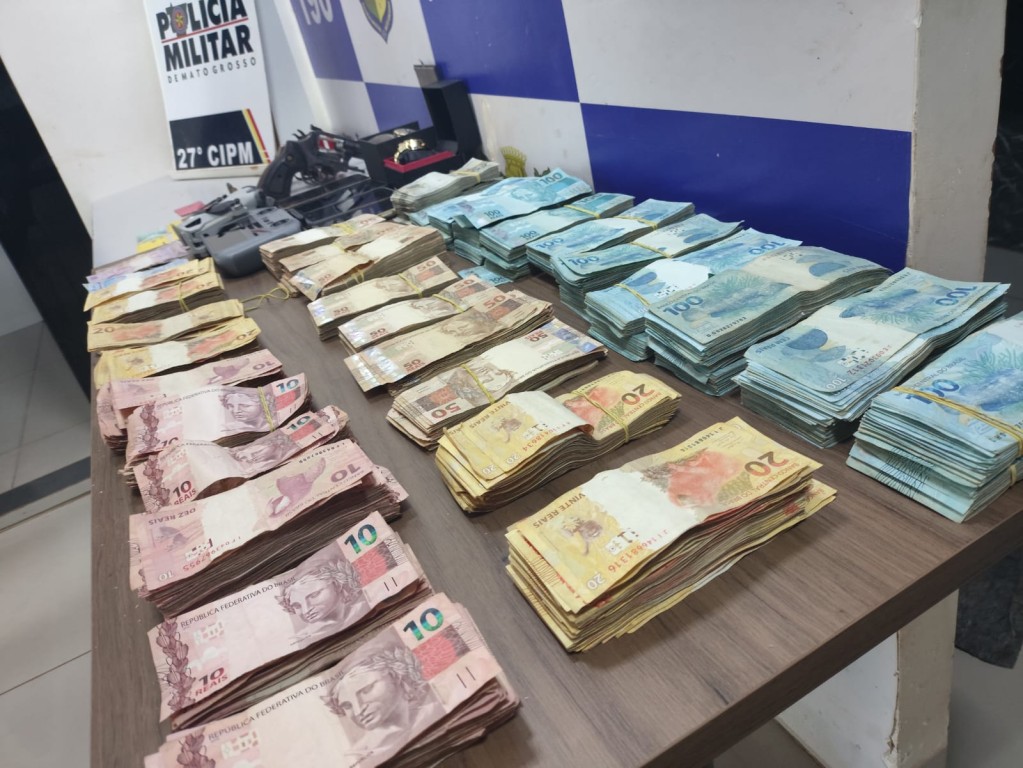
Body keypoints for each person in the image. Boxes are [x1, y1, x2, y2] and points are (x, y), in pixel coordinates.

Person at [322, 643, 446, 758]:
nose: (358, 711)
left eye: (366, 690)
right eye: (347, 705)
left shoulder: (436, 709)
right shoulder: (354, 756)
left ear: (394, 676)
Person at [278, 547, 368, 641]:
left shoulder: (362, 607)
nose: (306, 610)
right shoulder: (299, 639)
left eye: (314, 595)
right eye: (297, 606)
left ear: (337, 585)